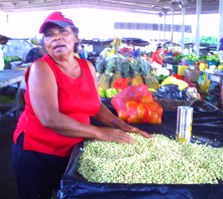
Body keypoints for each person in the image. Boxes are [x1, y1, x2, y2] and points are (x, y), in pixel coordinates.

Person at [12, 11, 152, 199]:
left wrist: (122, 126)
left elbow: (96, 106)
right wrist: (101, 133)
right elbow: (50, 119)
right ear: (45, 43)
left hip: (73, 149)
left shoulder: (87, 66)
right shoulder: (42, 68)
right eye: (49, 35)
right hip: (38, 151)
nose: (56, 37)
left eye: (63, 31)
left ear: (75, 37)